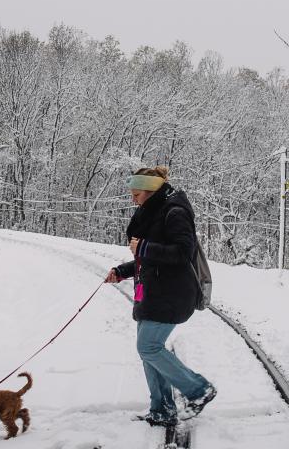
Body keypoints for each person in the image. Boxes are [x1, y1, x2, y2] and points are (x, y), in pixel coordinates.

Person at [104, 166, 216, 427]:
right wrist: (122, 271)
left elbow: (181, 253)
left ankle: (199, 390)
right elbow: (149, 261)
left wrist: (143, 246)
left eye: (137, 194)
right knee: (148, 350)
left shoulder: (174, 212)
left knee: (148, 347)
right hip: (154, 292)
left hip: (173, 293)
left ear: (151, 191)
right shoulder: (153, 211)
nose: (133, 200)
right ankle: (162, 409)